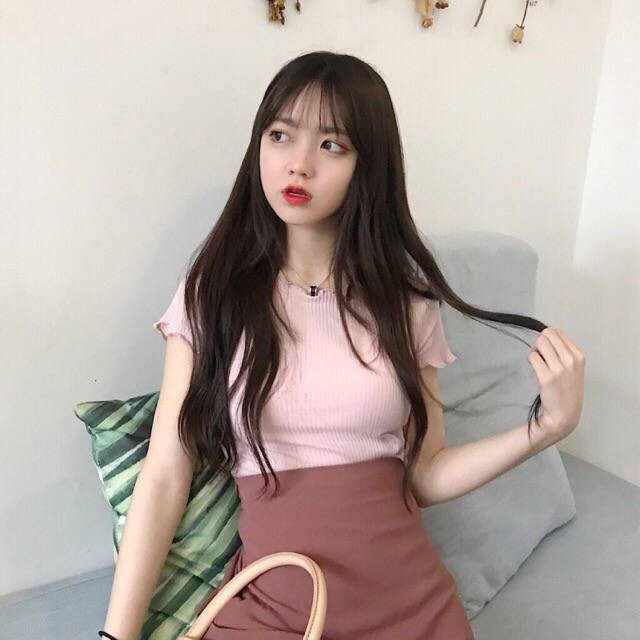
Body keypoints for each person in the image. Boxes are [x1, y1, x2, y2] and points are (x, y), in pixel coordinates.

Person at [100, 50, 585, 640]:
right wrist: (115, 637)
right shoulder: (213, 294)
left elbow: (426, 475)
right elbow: (163, 479)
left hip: (412, 608)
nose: (298, 165)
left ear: (367, 165)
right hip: (275, 609)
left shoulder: (405, 301)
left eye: (332, 144)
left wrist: (545, 429)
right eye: (280, 135)